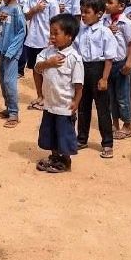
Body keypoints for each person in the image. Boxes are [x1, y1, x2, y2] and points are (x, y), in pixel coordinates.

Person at [34, 14, 84, 174]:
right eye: (51, 33)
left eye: (56, 33)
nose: (52, 37)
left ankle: (65, 161)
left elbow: (78, 85)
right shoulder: (48, 52)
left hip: (64, 104)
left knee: (64, 133)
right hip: (50, 104)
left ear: (69, 36)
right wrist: (48, 63)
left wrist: (76, 102)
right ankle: (54, 157)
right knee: (50, 131)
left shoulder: (74, 58)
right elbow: (37, 67)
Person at [75, 0, 123, 158]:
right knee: (82, 107)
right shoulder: (80, 31)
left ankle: (107, 143)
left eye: (87, 12)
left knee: (103, 108)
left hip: (98, 70)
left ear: (99, 13)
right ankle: (82, 138)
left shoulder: (104, 32)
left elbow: (109, 58)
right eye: (82, 11)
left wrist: (104, 78)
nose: (83, 15)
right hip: (83, 69)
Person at [103, 0, 131, 139]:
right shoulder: (104, 20)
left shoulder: (126, 23)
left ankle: (127, 125)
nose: (106, 5)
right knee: (110, 95)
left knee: (123, 96)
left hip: (120, 63)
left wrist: (129, 62)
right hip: (107, 64)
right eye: (106, 2)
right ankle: (114, 123)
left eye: (110, 2)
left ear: (121, 6)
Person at [0, 0, 26, 128]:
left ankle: (14, 112)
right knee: (2, 80)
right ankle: (8, 108)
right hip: (1, 49)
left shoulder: (17, 10)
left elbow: (22, 31)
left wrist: (12, 50)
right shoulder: (3, 7)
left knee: (9, 81)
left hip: (11, 52)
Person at [20, 0, 55, 101]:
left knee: (46, 70)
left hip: (46, 41)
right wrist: (35, 9)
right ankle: (39, 95)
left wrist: (52, 40)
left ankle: (48, 97)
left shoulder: (52, 2)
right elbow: (26, 16)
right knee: (35, 68)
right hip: (32, 40)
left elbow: (55, 22)